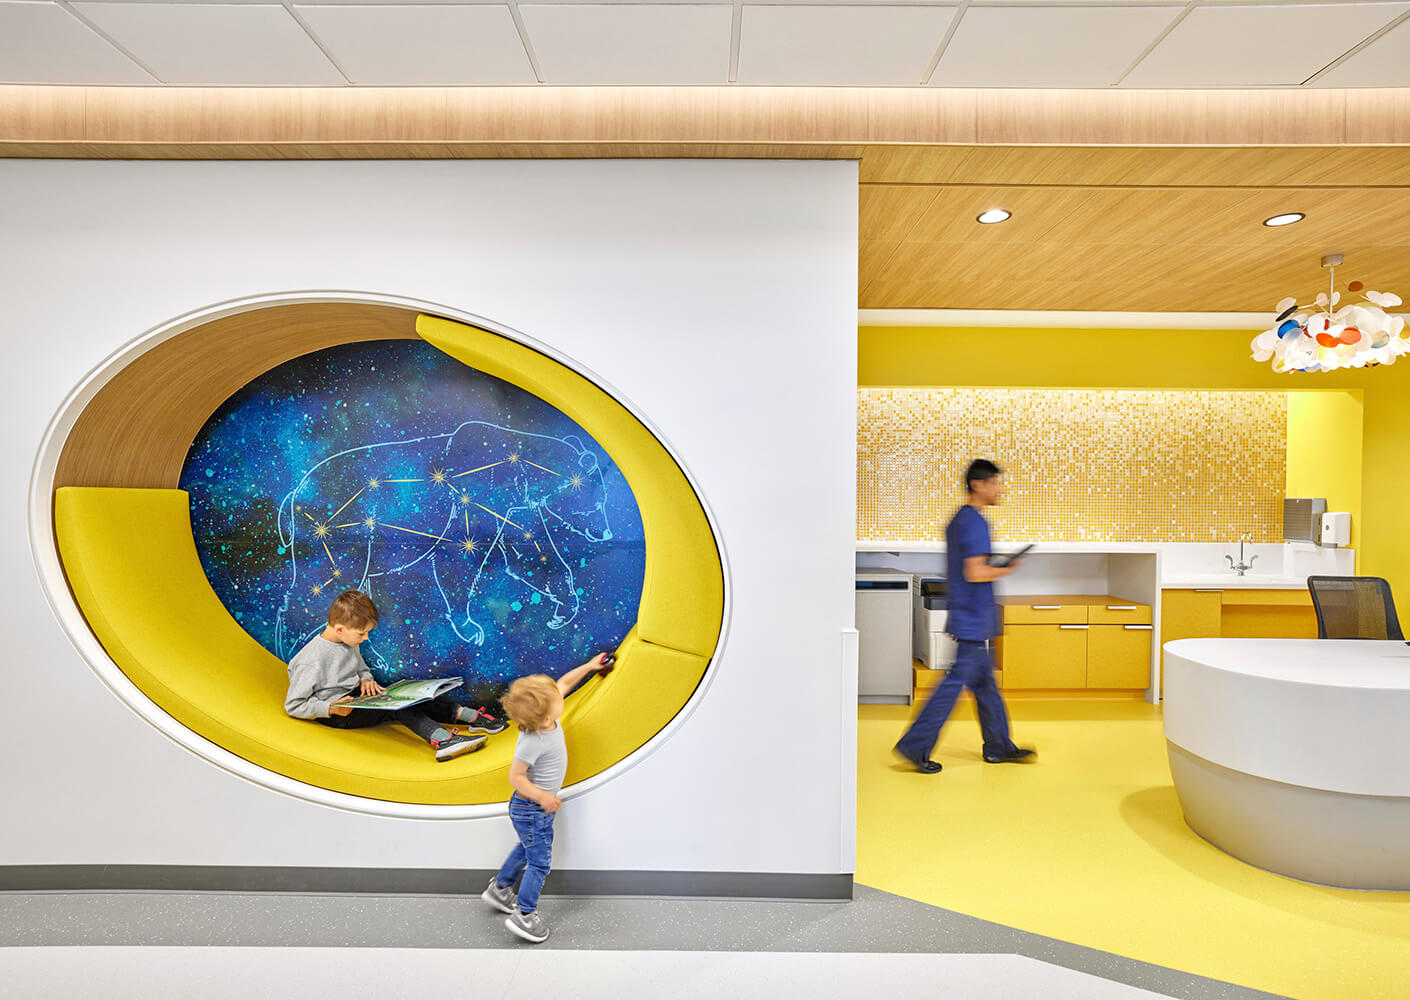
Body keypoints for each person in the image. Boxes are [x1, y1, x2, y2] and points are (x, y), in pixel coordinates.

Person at [894, 459, 1035, 773]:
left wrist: (995, 565)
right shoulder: (974, 523)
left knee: (984, 685)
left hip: (969, 613)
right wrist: (1006, 567)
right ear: (978, 485)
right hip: (973, 616)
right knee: (954, 684)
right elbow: (974, 572)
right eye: (995, 483)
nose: (1000, 489)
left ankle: (998, 746)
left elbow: (967, 568)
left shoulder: (961, 520)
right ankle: (915, 746)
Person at [284, 589, 506, 762]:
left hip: (356, 697)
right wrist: (331, 708)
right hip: (339, 712)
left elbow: (360, 667)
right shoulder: (311, 660)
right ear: (340, 629)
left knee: (412, 694)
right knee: (395, 706)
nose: (365, 638)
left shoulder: (347, 640)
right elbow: (294, 705)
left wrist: (366, 678)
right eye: (362, 633)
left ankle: (469, 717)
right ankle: (442, 740)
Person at [481, 653, 613, 943]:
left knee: (527, 849)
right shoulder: (532, 740)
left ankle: (499, 889)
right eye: (557, 699)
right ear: (544, 717)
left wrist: (590, 666)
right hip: (531, 808)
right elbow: (516, 778)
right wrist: (543, 797)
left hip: (532, 810)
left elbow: (564, 682)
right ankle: (525, 915)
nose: (561, 694)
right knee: (540, 863)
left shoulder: (546, 717)